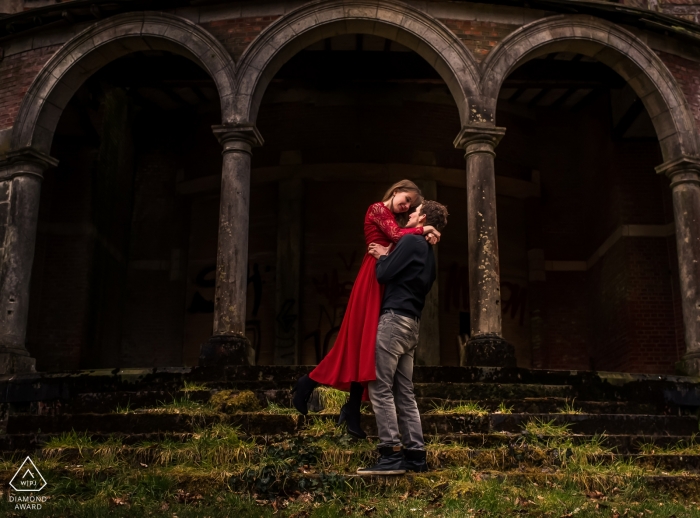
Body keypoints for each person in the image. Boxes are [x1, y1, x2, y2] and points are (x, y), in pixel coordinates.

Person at [292, 181, 441, 439]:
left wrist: (425, 232)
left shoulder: (399, 218)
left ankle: (351, 410)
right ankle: (309, 383)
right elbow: (396, 236)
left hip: (385, 278)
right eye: (404, 199)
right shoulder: (376, 210)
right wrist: (425, 228)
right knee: (359, 341)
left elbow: (401, 239)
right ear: (395, 191)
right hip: (373, 276)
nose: (406, 207)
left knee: (366, 346)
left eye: (410, 205)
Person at [357, 200, 449, 475]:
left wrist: (384, 255)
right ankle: (415, 455)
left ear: (422, 218)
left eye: (415, 210)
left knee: (380, 386)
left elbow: (383, 273)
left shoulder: (410, 244)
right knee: (404, 391)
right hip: (412, 325)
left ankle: (391, 454)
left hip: (394, 320)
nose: (409, 213)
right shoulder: (429, 252)